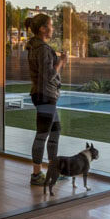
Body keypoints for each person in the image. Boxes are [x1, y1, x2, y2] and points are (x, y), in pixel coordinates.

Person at [25, 12, 67, 186]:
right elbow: (48, 75)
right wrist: (61, 61)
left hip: (45, 95)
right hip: (45, 96)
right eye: (50, 25)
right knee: (42, 134)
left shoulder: (36, 47)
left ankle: (53, 170)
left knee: (55, 131)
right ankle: (36, 175)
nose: (53, 28)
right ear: (43, 29)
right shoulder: (42, 49)